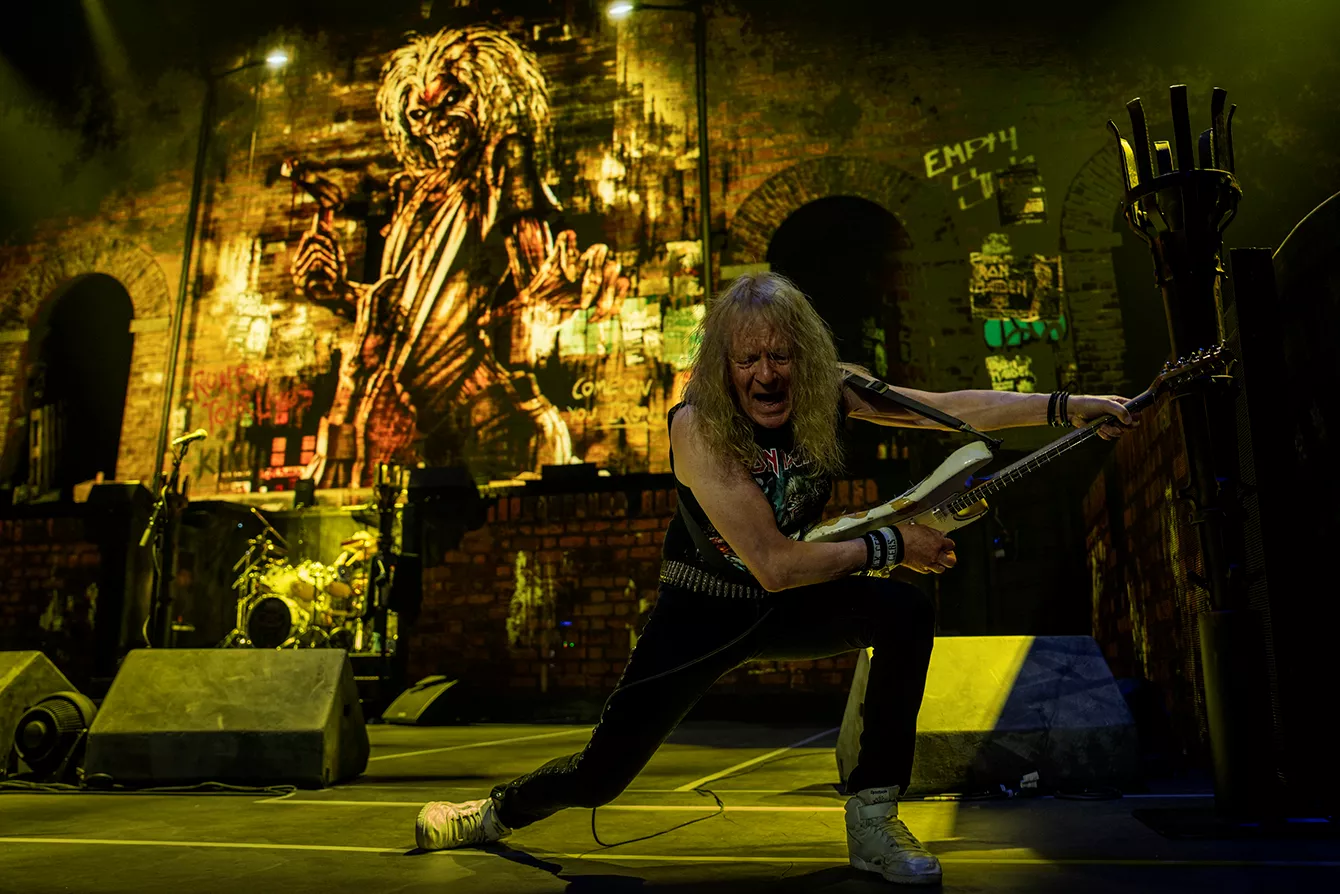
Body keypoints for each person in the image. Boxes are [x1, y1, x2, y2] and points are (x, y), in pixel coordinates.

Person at [414, 272, 1137, 885]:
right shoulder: (697, 427)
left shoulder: (831, 390)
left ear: (805, 356)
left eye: (782, 355)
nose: (767, 374)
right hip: (703, 610)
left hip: (789, 606)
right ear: (723, 367)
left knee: (903, 614)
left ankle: (874, 818)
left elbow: (947, 409)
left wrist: (1069, 409)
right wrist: (893, 543)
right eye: (749, 359)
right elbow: (775, 563)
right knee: (602, 775)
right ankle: (493, 813)